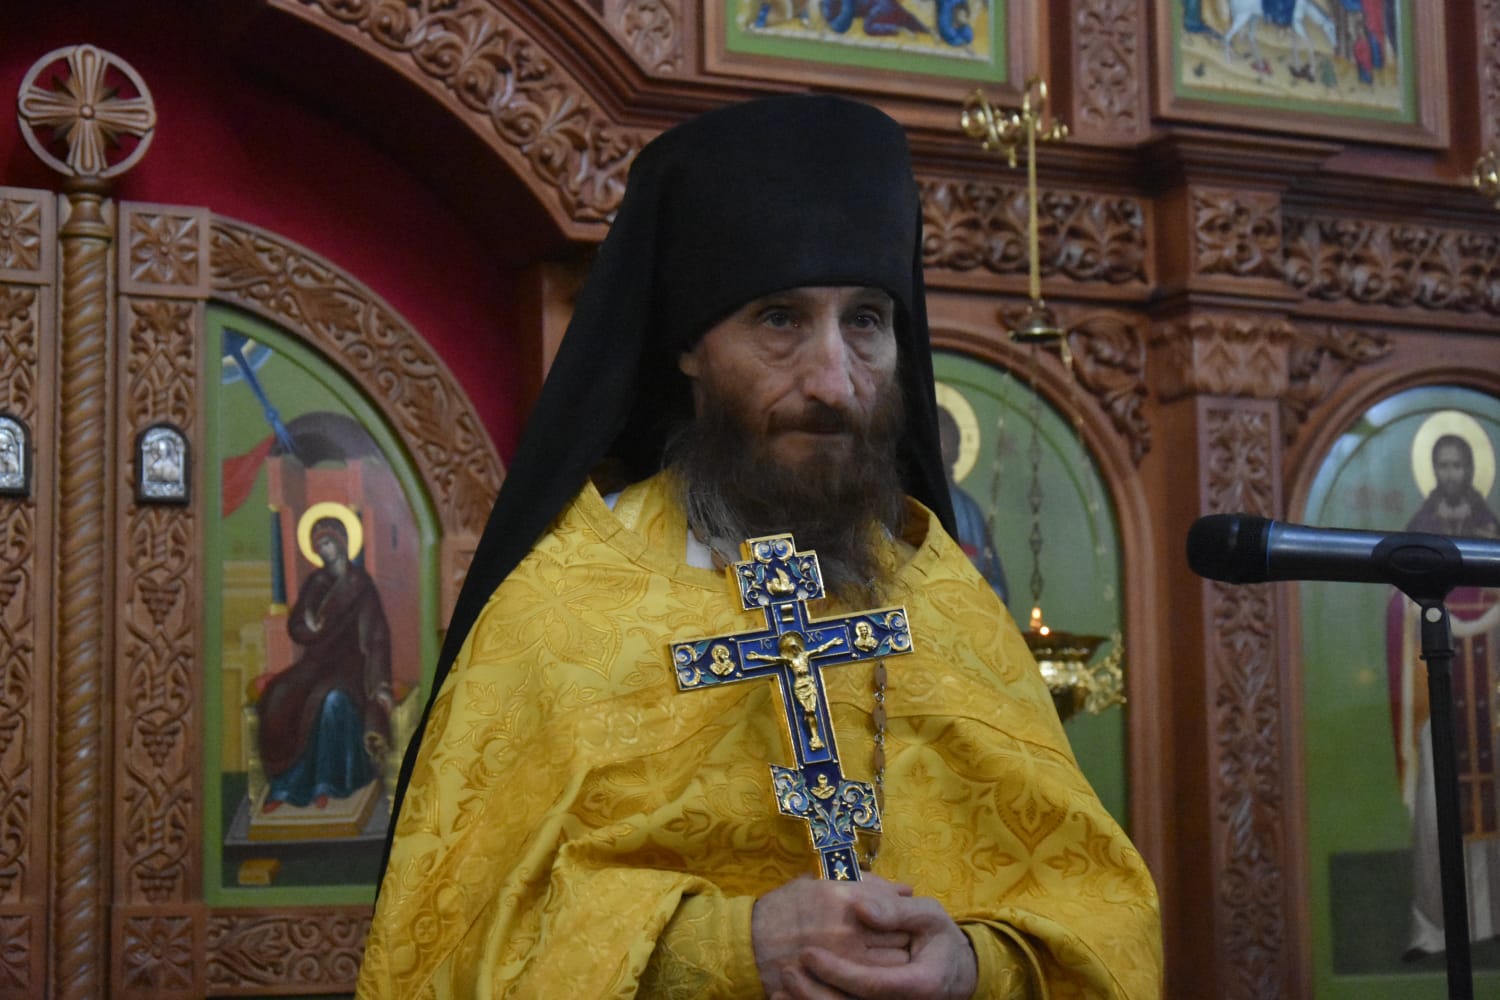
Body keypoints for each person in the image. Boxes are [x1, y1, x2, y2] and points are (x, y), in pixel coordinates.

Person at [359, 94, 1161, 998]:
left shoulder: (942, 600)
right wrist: (731, 948)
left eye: (866, 321)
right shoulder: (563, 609)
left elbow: (1099, 916)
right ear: (689, 349)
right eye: (780, 320)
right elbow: (455, 943)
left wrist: (975, 966)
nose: (834, 383)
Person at [1392, 430, 1500, 958]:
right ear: (1433, 471)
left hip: (1491, 698)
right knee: (1437, 814)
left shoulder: (1491, 528)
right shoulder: (1418, 530)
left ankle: (1491, 920)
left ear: (1472, 470)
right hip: (1440, 694)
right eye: (1444, 465)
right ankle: (1432, 930)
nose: (1452, 474)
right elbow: (1398, 604)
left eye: (1460, 465)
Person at [257, 514, 394, 813]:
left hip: (351, 666)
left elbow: (376, 637)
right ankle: (285, 785)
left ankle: (326, 783)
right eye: (319, 545)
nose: (324, 550)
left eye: (329, 542)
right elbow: (297, 625)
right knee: (278, 695)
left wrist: (381, 685)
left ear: (343, 544)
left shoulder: (360, 584)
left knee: (332, 702)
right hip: (315, 663)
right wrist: (309, 626)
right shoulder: (316, 582)